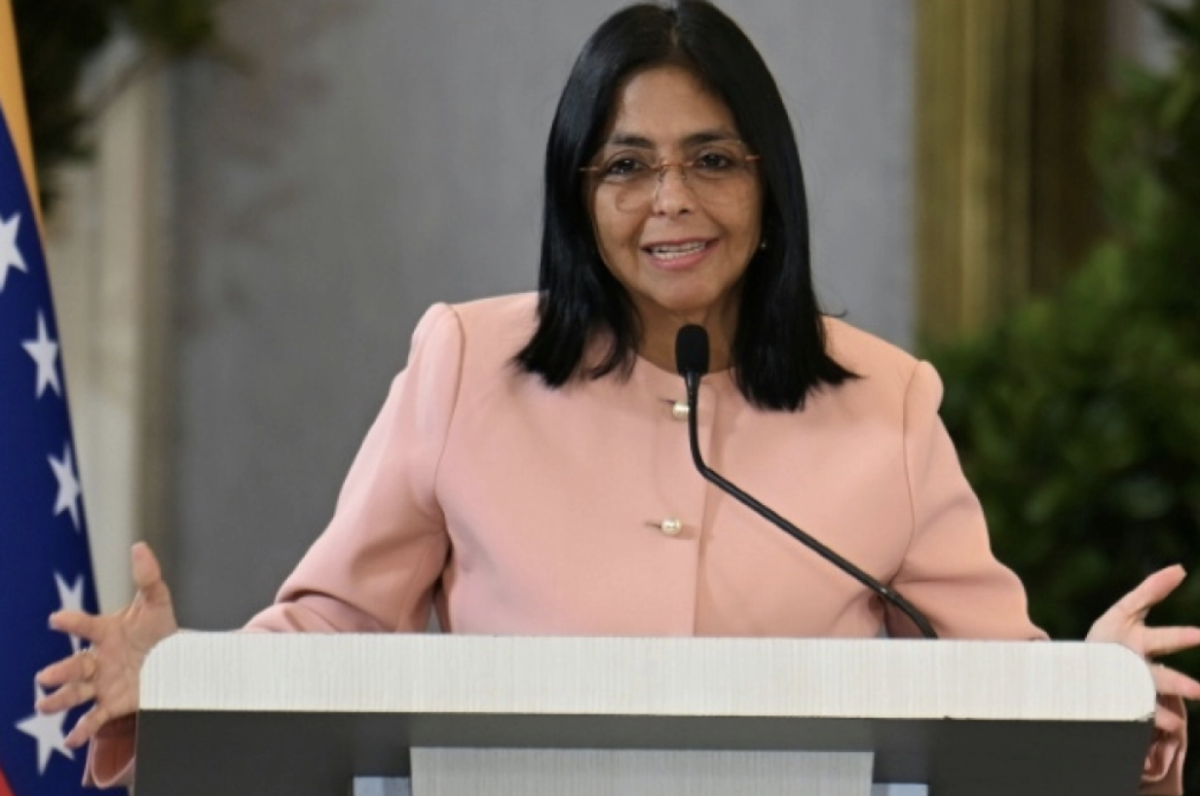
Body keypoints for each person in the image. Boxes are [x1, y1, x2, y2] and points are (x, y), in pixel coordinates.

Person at [34, 1, 1200, 792]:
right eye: (628, 165)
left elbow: (995, 682)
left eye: (713, 159)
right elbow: (332, 633)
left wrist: (1096, 690)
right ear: (577, 195)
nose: (671, 201)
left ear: (770, 186)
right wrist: (181, 676)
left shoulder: (884, 400)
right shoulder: (463, 364)